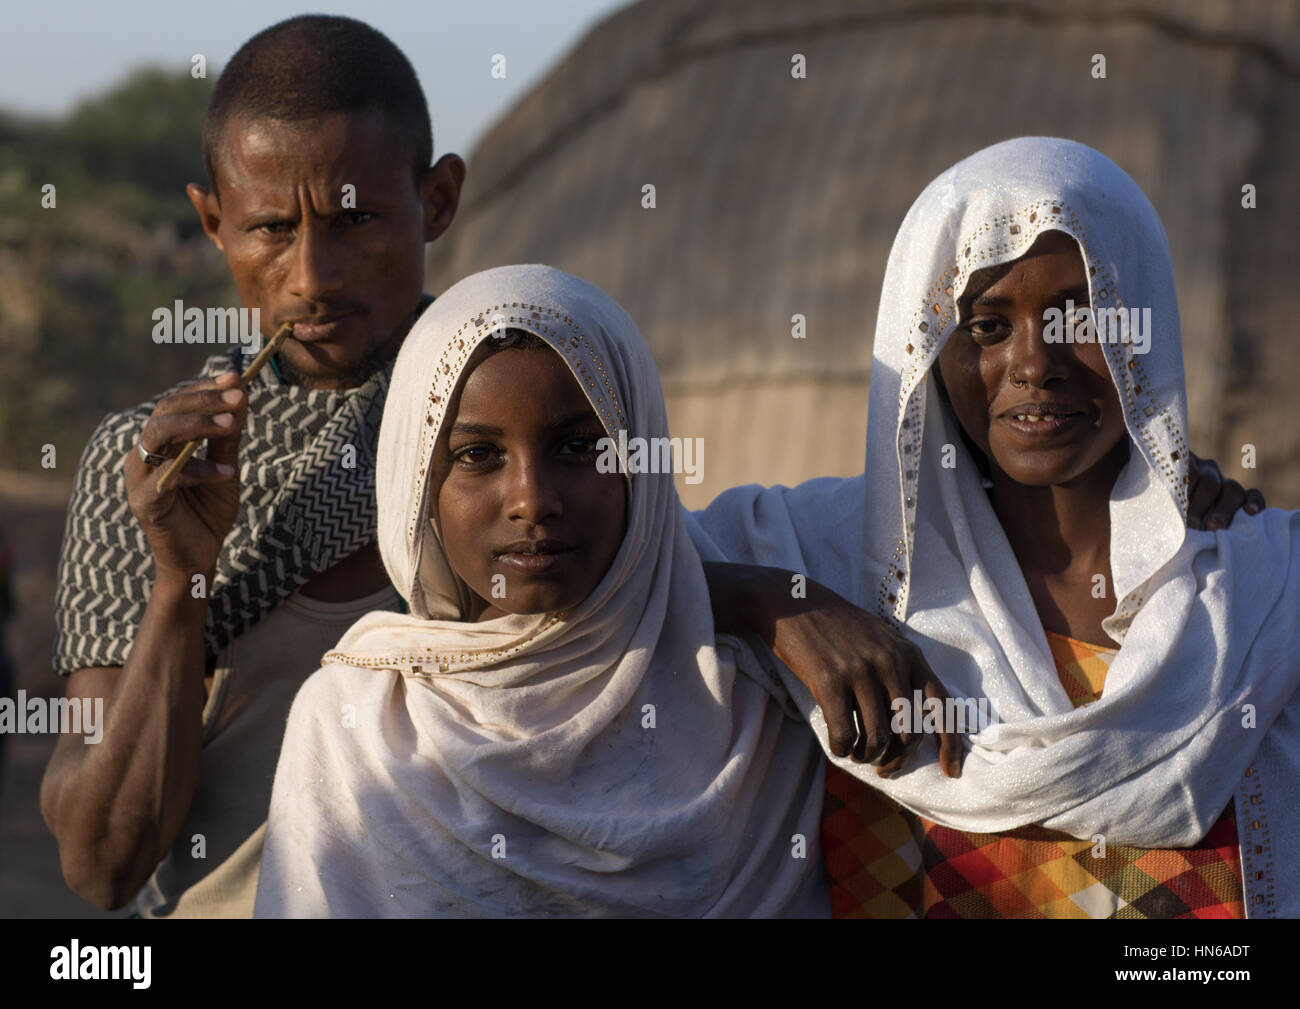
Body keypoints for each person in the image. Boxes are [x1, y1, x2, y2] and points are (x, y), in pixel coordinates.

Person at [687, 137, 1300, 918]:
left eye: (1082, 313)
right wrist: (771, 606)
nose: (1034, 362)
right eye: (984, 326)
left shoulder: (1262, 592)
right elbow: (563, 604)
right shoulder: (828, 560)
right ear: (924, 349)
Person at [41, 14, 466, 916]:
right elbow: (102, 860)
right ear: (212, 223)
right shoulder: (153, 473)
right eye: (271, 227)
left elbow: (641, 612)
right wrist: (177, 582)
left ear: (438, 201)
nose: (310, 275)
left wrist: (765, 602)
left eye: (354, 220)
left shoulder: (494, 424)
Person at [253, 265, 830, 917]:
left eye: (579, 446)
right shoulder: (359, 724)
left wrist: (785, 601)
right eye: (477, 455)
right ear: (419, 483)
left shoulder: (747, 688)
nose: (532, 499)